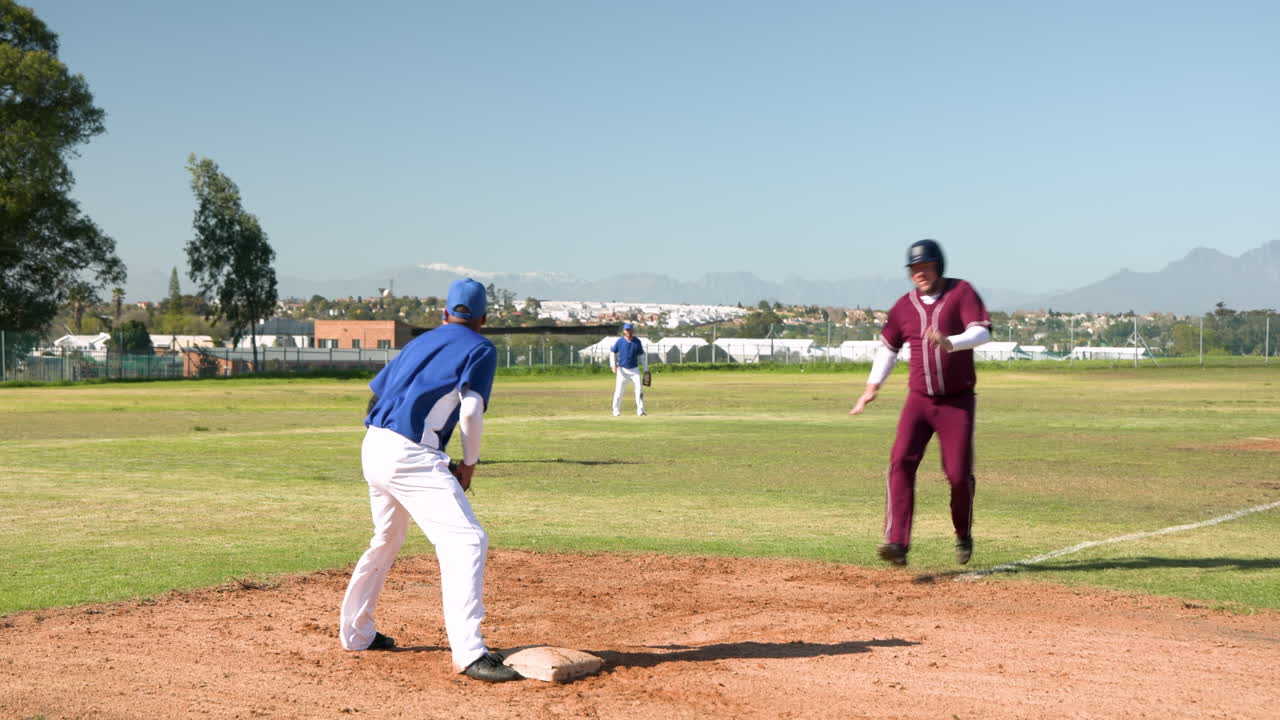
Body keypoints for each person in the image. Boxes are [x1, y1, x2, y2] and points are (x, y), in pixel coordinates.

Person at [338, 277, 519, 683]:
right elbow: (470, 411)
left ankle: (356, 633)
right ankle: (470, 652)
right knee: (467, 539)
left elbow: (375, 397)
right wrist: (469, 464)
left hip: (375, 443)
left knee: (386, 539)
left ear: (444, 313)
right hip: (411, 454)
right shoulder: (480, 347)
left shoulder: (420, 342)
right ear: (484, 318)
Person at [849, 239, 991, 567]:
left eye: (925, 267)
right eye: (914, 269)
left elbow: (982, 332)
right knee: (900, 462)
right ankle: (897, 542)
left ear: (938, 266)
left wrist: (950, 342)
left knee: (957, 475)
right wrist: (872, 387)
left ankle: (962, 533)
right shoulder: (903, 307)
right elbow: (888, 348)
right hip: (919, 401)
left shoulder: (962, 292)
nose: (920, 274)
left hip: (956, 402)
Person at [609, 322, 649, 416]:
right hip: (622, 370)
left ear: (632, 331)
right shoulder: (620, 341)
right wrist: (613, 366)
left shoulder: (637, 341)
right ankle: (615, 411)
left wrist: (646, 369)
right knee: (619, 391)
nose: (628, 331)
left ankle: (640, 411)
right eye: (626, 330)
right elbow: (612, 353)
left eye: (629, 330)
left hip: (634, 370)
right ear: (624, 331)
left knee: (639, 390)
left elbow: (642, 356)